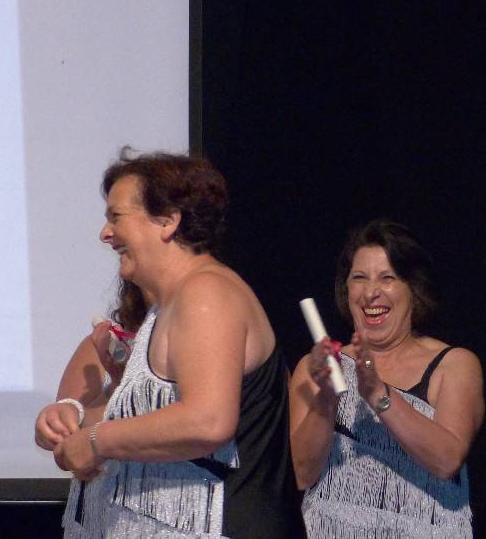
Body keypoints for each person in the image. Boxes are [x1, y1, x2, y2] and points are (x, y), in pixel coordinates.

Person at [42, 150, 303, 538]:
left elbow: (207, 421)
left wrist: (96, 442)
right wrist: (73, 419)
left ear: (167, 220)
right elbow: (157, 417)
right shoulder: (166, 308)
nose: (105, 233)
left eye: (116, 217)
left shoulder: (206, 293)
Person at [289, 219, 483, 537]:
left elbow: (447, 459)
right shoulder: (321, 368)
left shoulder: (454, 365)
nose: (370, 293)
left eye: (387, 278)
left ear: (413, 289)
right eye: (359, 278)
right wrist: (326, 398)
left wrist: (378, 394)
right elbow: (301, 473)